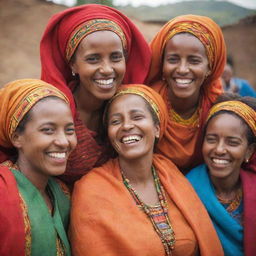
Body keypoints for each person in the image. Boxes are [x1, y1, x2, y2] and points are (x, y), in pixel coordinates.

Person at [69, 84, 224, 256]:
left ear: (157, 128)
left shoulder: (171, 174)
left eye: (137, 117)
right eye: (116, 121)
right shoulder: (91, 189)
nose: (126, 126)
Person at [40, 4, 151, 185]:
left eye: (116, 57)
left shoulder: (128, 110)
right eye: (93, 59)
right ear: (73, 65)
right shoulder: (50, 110)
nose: (107, 69)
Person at [0, 79, 77, 255]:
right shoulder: (3, 192)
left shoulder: (62, 193)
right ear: (17, 137)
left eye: (69, 130)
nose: (64, 141)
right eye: (48, 130)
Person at [146, 14, 226, 174]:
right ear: (162, 64)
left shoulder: (218, 108)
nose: (182, 69)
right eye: (173, 59)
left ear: (210, 68)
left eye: (194, 61)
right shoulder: (146, 103)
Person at [186, 94, 256, 256]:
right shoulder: (186, 189)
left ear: (249, 151)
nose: (219, 149)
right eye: (211, 139)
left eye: (232, 142)